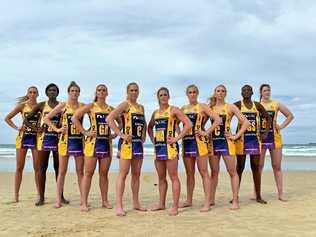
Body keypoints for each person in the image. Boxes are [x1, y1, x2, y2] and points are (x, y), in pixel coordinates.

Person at [147, 87, 192, 216]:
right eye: (161, 95)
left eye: (165, 94)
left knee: (173, 177)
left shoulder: (174, 110)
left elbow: (188, 124)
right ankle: (161, 204)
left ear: (169, 96)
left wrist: (177, 138)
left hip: (170, 148)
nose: (163, 97)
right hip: (159, 148)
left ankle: (175, 206)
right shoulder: (155, 113)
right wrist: (152, 140)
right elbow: (150, 127)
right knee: (161, 178)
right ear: (158, 97)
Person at [72, 84, 116, 211]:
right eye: (99, 90)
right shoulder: (91, 106)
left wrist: (115, 134)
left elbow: (121, 121)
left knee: (104, 174)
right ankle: (84, 202)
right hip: (92, 144)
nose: (101, 92)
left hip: (106, 144)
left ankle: (105, 201)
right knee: (88, 173)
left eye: (104, 90)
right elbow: (74, 117)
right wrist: (85, 132)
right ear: (96, 92)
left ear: (107, 93)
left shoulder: (110, 109)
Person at [24, 83, 68, 206]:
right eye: (50, 90)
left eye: (54, 90)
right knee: (42, 168)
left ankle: (61, 196)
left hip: (58, 140)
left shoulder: (62, 106)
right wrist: (35, 128)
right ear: (46, 93)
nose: (52, 92)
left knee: (58, 169)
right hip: (44, 141)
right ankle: (41, 197)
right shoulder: (42, 105)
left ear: (57, 92)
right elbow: (26, 120)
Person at [107, 82, 147, 216]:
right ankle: (119, 205)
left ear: (138, 92)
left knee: (136, 175)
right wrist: (121, 134)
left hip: (138, 144)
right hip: (126, 144)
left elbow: (144, 123)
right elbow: (110, 118)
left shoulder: (141, 107)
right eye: (131, 90)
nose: (134, 92)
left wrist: (144, 135)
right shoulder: (125, 105)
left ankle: (136, 203)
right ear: (127, 92)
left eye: (136, 90)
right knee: (123, 174)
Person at [208, 84, 250, 210]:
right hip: (213, 143)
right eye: (218, 91)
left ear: (225, 93)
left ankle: (235, 200)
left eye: (223, 91)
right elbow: (200, 123)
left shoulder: (230, 107)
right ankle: (211, 199)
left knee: (232, 172)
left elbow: (246, 122)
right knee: (214, 173)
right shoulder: (210, 108)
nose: (220, 93)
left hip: (227, 143)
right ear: (215, 93)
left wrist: (235, 135)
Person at [179, 84, 220, 212]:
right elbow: (175, 122)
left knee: (204, 172)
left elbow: (218, 120)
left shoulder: (202, 106)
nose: (192, 94)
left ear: (197, 93)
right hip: (187, 142)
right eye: (190, 92)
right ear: (187, 94)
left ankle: (207, 202)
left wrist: (206, 132)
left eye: (194, 92)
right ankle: (189, 200)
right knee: (189, 173)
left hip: (200, 143)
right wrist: (180, 133)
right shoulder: (183, 108)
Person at [44, 81, 85, 208]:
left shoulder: (83, 106)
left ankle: (83, 200)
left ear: (79, 93)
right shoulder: (63, 105)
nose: (75, 93)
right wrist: (56, 129)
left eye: (77, 91)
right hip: (64, 142)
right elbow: (46, 118)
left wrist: (87, 131)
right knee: (62, 171)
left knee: (80, 172)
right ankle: (58, 200)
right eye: (72, 91)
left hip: (79, 141)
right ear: (68, 92)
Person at [234, 85, 270, 204]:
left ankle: (258, 196)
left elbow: (268, 118)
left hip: (254, 140)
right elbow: (226, 116)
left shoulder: (257, 105)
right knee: (240, 168)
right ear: (241, 92)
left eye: (248, 90)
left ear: (252, 92)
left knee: (255, 168)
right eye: (244, 90)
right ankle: (235, 196)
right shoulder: (238, 105)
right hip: (241, 141)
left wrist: (265, 132)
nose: (246, 92)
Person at [258, 84, 294, 201]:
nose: (267, 92)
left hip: (275, 138)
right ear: (261, 92)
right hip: (261, 138)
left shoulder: (276, 104)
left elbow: (290, 116)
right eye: (265, 90)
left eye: (269, 90)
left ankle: (280, 193)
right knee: (259, 166)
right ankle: (256, 192)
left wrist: (281, 126)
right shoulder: (256, 105)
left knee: (276, 166)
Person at [5, 86, 40, 202]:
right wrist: (17, 128)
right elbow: (8, 118)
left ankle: (39, 195)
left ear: (38, 94)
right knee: (19, 168)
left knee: (37, 168)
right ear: (28, 94)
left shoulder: (41, 107)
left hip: (36, 139)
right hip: (23, 139)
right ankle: (16, 195)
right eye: (30, 92)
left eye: (35, 92)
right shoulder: (22, 106)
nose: (33, 94)